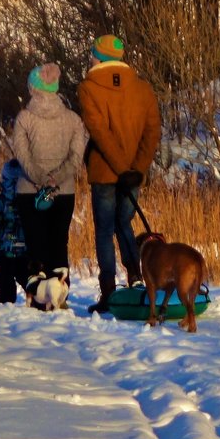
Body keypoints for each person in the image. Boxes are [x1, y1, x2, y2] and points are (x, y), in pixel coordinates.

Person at [77, 34, 161, 313]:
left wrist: (122, 169)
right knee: (123, 224)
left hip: (104, 173)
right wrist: (136, 169)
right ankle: (137, 278)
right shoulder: (143, 89)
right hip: (133, 176)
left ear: (98, 56)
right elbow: (152, 132)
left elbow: (99, 133)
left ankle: (109, 292)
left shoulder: (88, 88)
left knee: (104, 231)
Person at [10, 63, 89, 298]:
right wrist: (55, 179)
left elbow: (22, 155)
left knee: (35, 244)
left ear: (33, 88)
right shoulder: (73, 120)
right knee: (58, 243)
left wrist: (40, 179)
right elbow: (76, 158)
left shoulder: (24, 118)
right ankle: (60, 291)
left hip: (29, 191)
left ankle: (38, 292)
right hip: (63, 192)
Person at [0, 159, 29, 303]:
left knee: (5, 282)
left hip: (3, 249)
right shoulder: (27, 200)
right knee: (29, 280)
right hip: (24, 249)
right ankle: (38, 305)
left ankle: (6, 308)